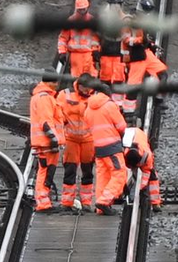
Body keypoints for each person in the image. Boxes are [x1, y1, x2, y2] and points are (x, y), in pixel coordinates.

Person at [87, 79, 129, 214]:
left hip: (98, 147)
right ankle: (104, 201)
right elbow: (122, 126)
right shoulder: (110, 105)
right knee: (119, 174)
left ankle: (101, 206)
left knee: (103, 175)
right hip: (112, 147)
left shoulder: (88, 108)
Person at [120, 0, 168, 115]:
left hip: (145, 53)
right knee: (133, 86)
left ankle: (159, 100)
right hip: (136, 56)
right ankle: (128, 112)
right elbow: (126, 39)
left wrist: (152, 45)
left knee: (162, 74)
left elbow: (146, 38)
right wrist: (140, 40)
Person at [56, 75, 95, 211]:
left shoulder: (95, 96)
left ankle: (86, 202)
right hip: (71, 139)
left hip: (89, 140)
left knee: (88, 171)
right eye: (84, 88)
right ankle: (67, 202)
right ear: (78, 85)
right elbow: (58, 113)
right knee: (70, 170)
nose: (86, 91)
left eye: (88, 89)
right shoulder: (65, 95)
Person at [29, 73, 63, 212]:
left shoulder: (40, 96)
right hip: (47, 142)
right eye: (55, 82)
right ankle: (43, 203)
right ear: (50, 83)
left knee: (46, 171)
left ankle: (44, 201)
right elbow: (46, 121)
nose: (57, 85)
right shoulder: (45, 98)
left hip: (44, 142)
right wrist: (53, 139)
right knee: (46, 172)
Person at [57, 0, 100, 78]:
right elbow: (63, 38)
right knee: (77, 78)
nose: (82, 11)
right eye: (81, 9)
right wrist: (62, 52)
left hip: (88, 54)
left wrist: (95, 50)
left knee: (91, 78)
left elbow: (96, 38)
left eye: (84, 9)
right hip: (76, 55)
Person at [97, 0, 128, 104]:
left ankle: (117, 106)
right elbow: (97, 36)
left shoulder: (125, 19)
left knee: (119, 80)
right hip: (106, 53)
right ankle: (104, 103)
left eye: (117, 5)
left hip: (119, 55)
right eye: (113, 5)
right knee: (105, 80)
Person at [122, 126, 162, 208]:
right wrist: (124, 186)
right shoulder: (123, 153)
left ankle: (155, 203)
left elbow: (146, 174)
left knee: (152, 176)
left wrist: (139, 188)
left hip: (138, 134)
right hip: (130, 134)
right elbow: (122, 171)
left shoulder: (148, 157)